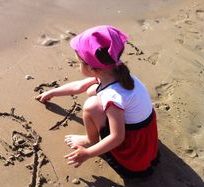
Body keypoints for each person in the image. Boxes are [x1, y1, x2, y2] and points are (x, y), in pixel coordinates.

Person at [36, 25, 159, 178]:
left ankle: (90, 141)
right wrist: (52, 92)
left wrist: (87, 153)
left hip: (133, 158)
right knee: (91, 90)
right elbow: (79, 86)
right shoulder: (114, 70)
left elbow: (117, 137)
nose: (78, 66)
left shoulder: (112, 97)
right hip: (146, 140)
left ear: (91, 68)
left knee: (90, 106)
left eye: (79, 63)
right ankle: (93, 138)